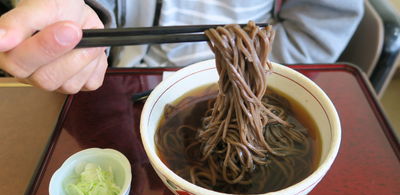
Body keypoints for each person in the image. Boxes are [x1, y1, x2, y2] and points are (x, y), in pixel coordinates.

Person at [0, 0, 364, 94]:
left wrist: (257, 68)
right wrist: (85, 18)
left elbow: (321, 20)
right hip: (125, 76)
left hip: (251, 77)